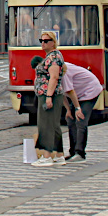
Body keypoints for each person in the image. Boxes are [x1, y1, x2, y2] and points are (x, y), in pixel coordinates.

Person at [32, 31, 66, 166]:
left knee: (46, 124)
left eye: (46, 41)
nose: (43, 43)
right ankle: (59, 155)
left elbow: (54, 77)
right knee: (54, 125)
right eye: (41, 40)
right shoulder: (52, 56)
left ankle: (47, 156)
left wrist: (48, 96)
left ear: (53, 42)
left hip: (49, 94)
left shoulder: (54, 57)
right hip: (48, 94)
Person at [61, 59, 102, 162]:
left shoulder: (63, 72)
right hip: (79, 93)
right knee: (70, 120)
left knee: (81, 120)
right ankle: (73, 151)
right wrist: (68, 110)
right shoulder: (51, 74)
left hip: (90, 90)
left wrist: (78, 108)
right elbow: (61, 93)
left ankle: (80, 153)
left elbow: (70, 91)